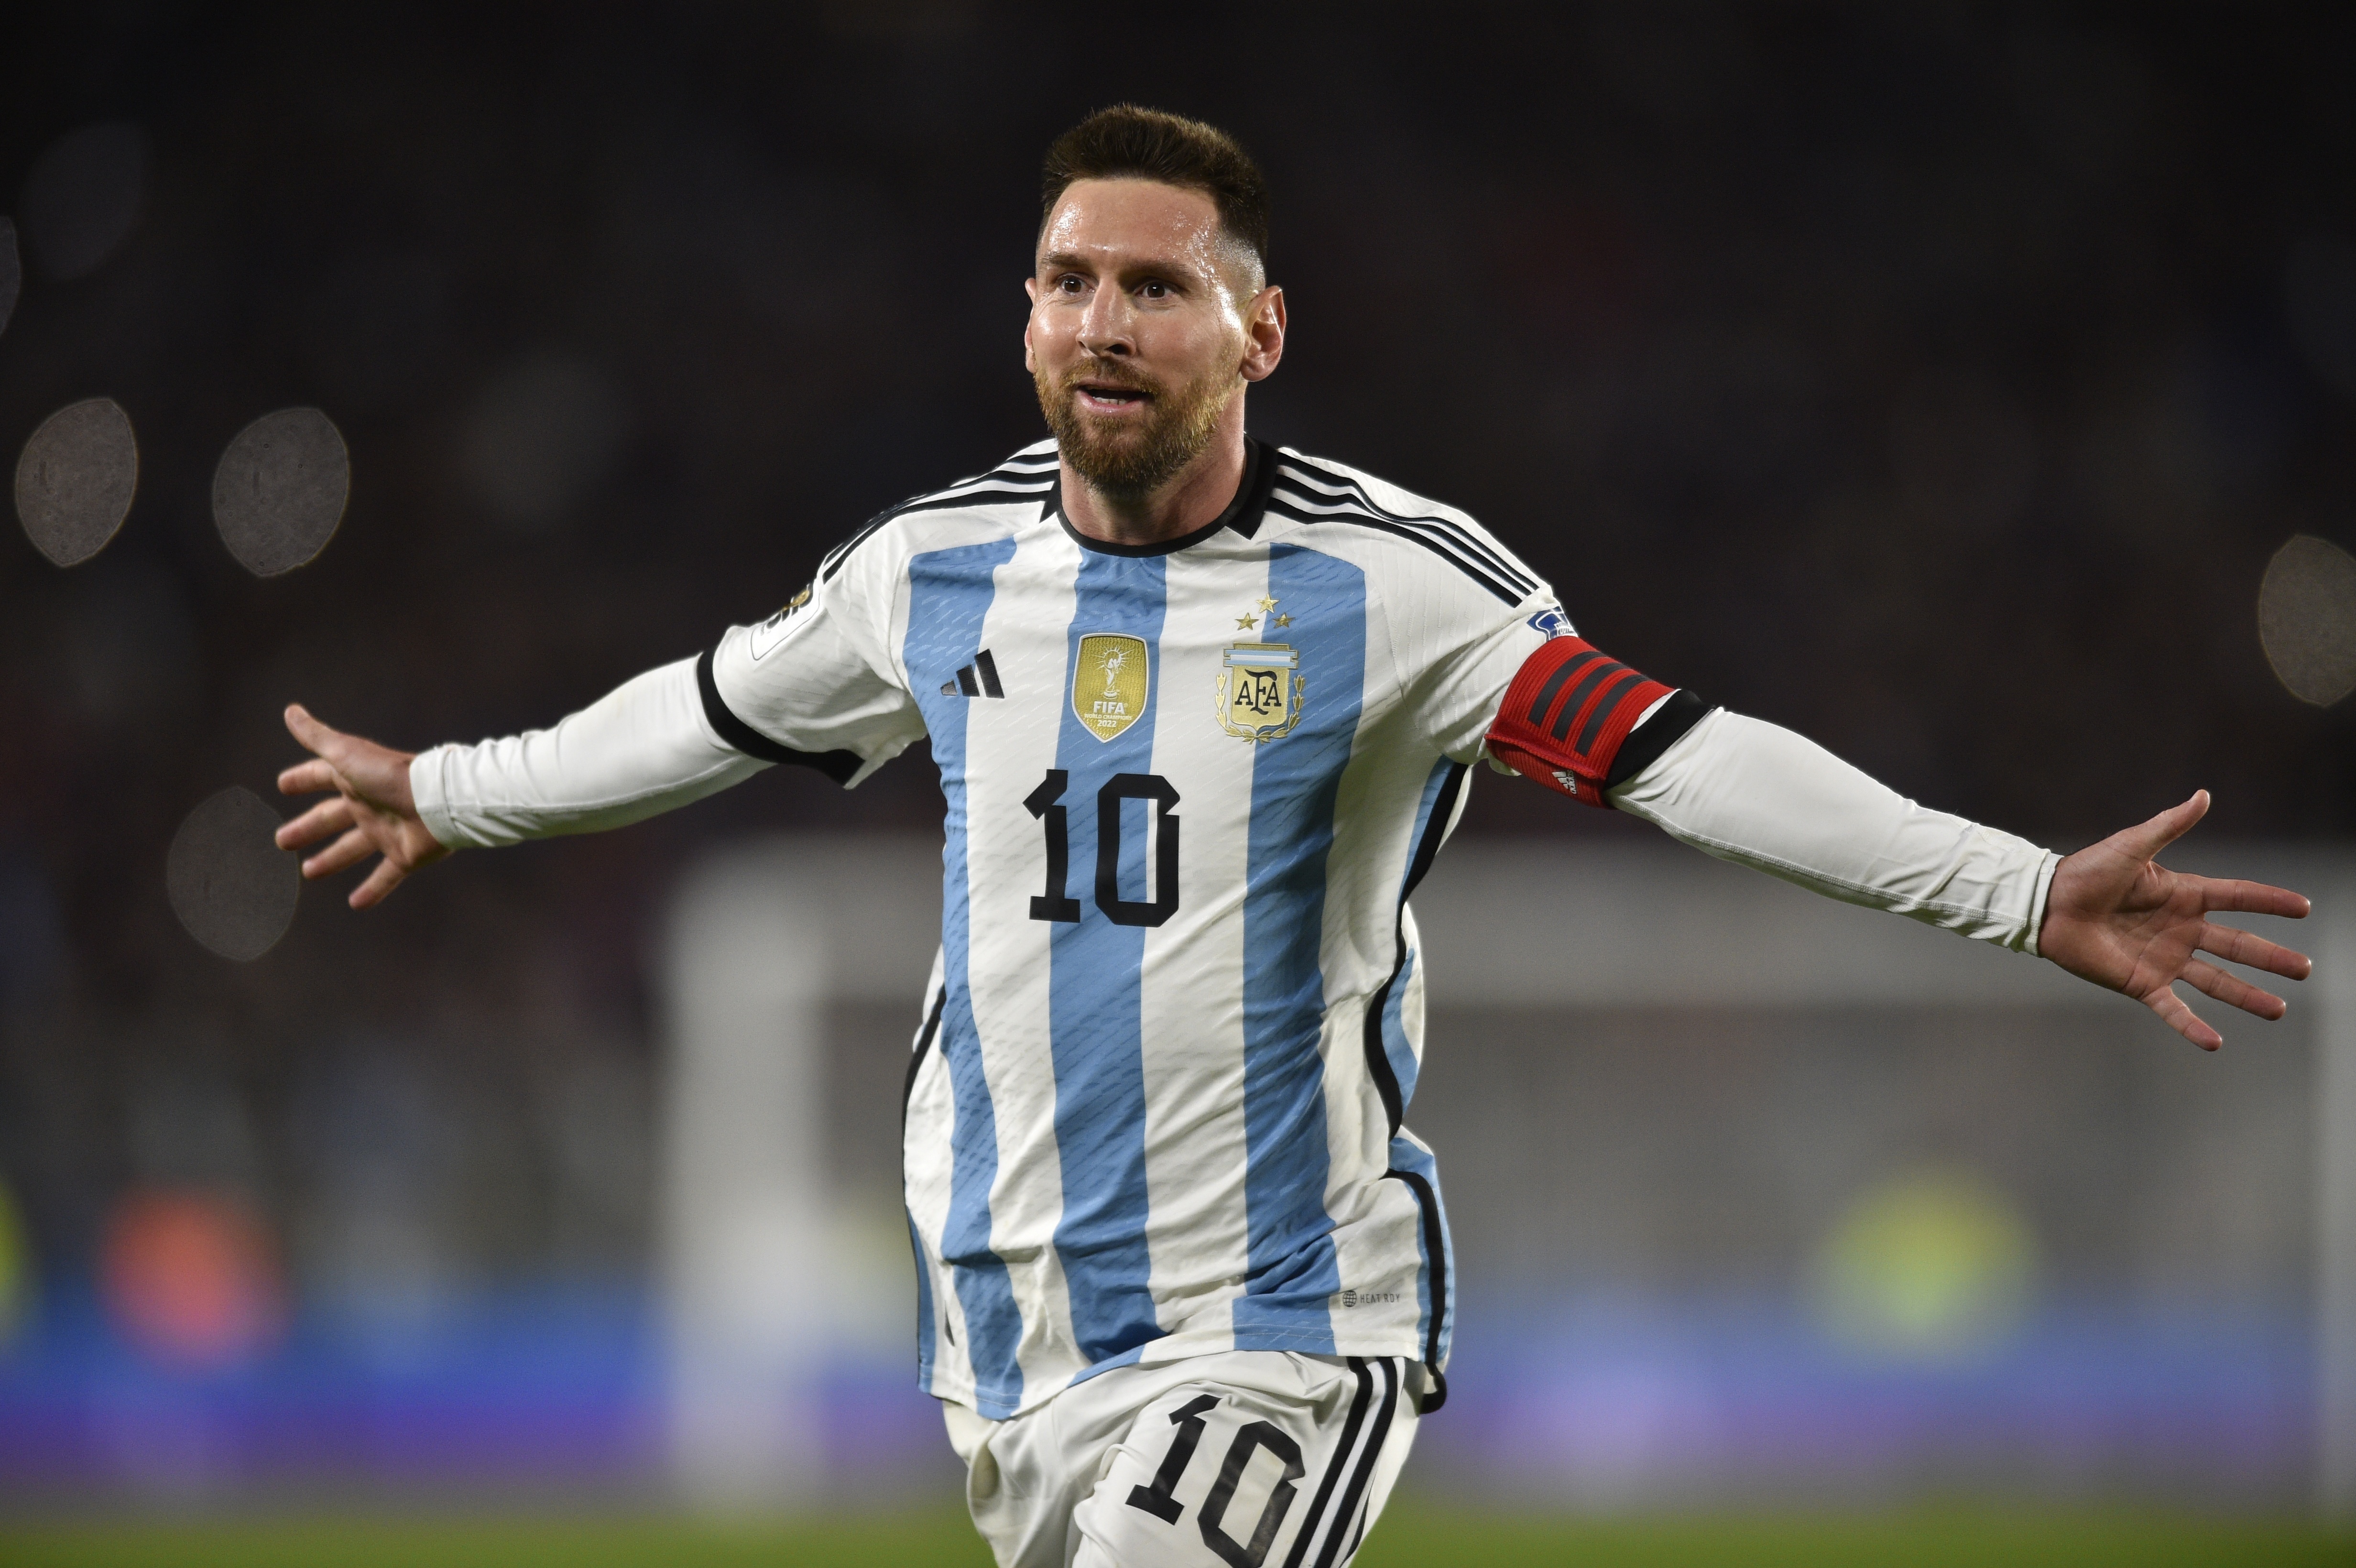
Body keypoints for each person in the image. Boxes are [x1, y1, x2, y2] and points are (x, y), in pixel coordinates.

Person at [274, 106, 2312, 1568]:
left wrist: (2015, 888)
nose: (1099, 320)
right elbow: (706, 708)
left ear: (1256, 332)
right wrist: (452, 792)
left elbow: (1681, 753)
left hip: (1276, 1326)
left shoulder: (1397, 595)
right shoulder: (936, 574)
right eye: (1066, 278)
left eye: (1154, 286)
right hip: (1003, 1335)